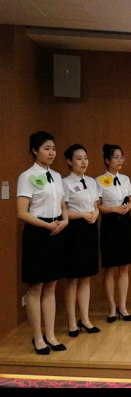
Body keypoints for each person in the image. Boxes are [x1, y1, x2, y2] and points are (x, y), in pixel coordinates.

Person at [16, 131, 68, 354]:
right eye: (47, 148)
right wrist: (47, 226)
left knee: (51, 286)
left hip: (57, 230)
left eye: (53, 148)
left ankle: (51, 335)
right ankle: (37, 337)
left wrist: (65, 220)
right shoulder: (26, 176)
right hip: (38, 234)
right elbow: (22, 212)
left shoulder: (56, 176)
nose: (51, 153)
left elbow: (63, 205)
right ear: (34, 150)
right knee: (36, 287)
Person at [62, 144, 101, 337]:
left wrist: (96, 213)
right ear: (69, 161)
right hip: (74, 231)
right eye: (79, 158)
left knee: (86, 277)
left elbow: (96, 205)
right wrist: (83, 214)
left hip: (90, 229)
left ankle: (85, 319)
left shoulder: (92, 182)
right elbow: (63, 211)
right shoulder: (65, 182)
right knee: (73, 279)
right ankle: (71, 322)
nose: (83, 162)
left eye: (85, 158)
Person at [96, 144, 131, 322]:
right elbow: (98, 207)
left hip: (124, 222)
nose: (120, 161)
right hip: (110, 223)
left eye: (121, 157)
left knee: (124, 267)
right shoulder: (99, 180)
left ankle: (123, 306)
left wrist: (128, 207)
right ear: (107, 160)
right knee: (110, 268)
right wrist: (114, 209)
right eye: (116, 157)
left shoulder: (125, 179)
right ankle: (112, 307)